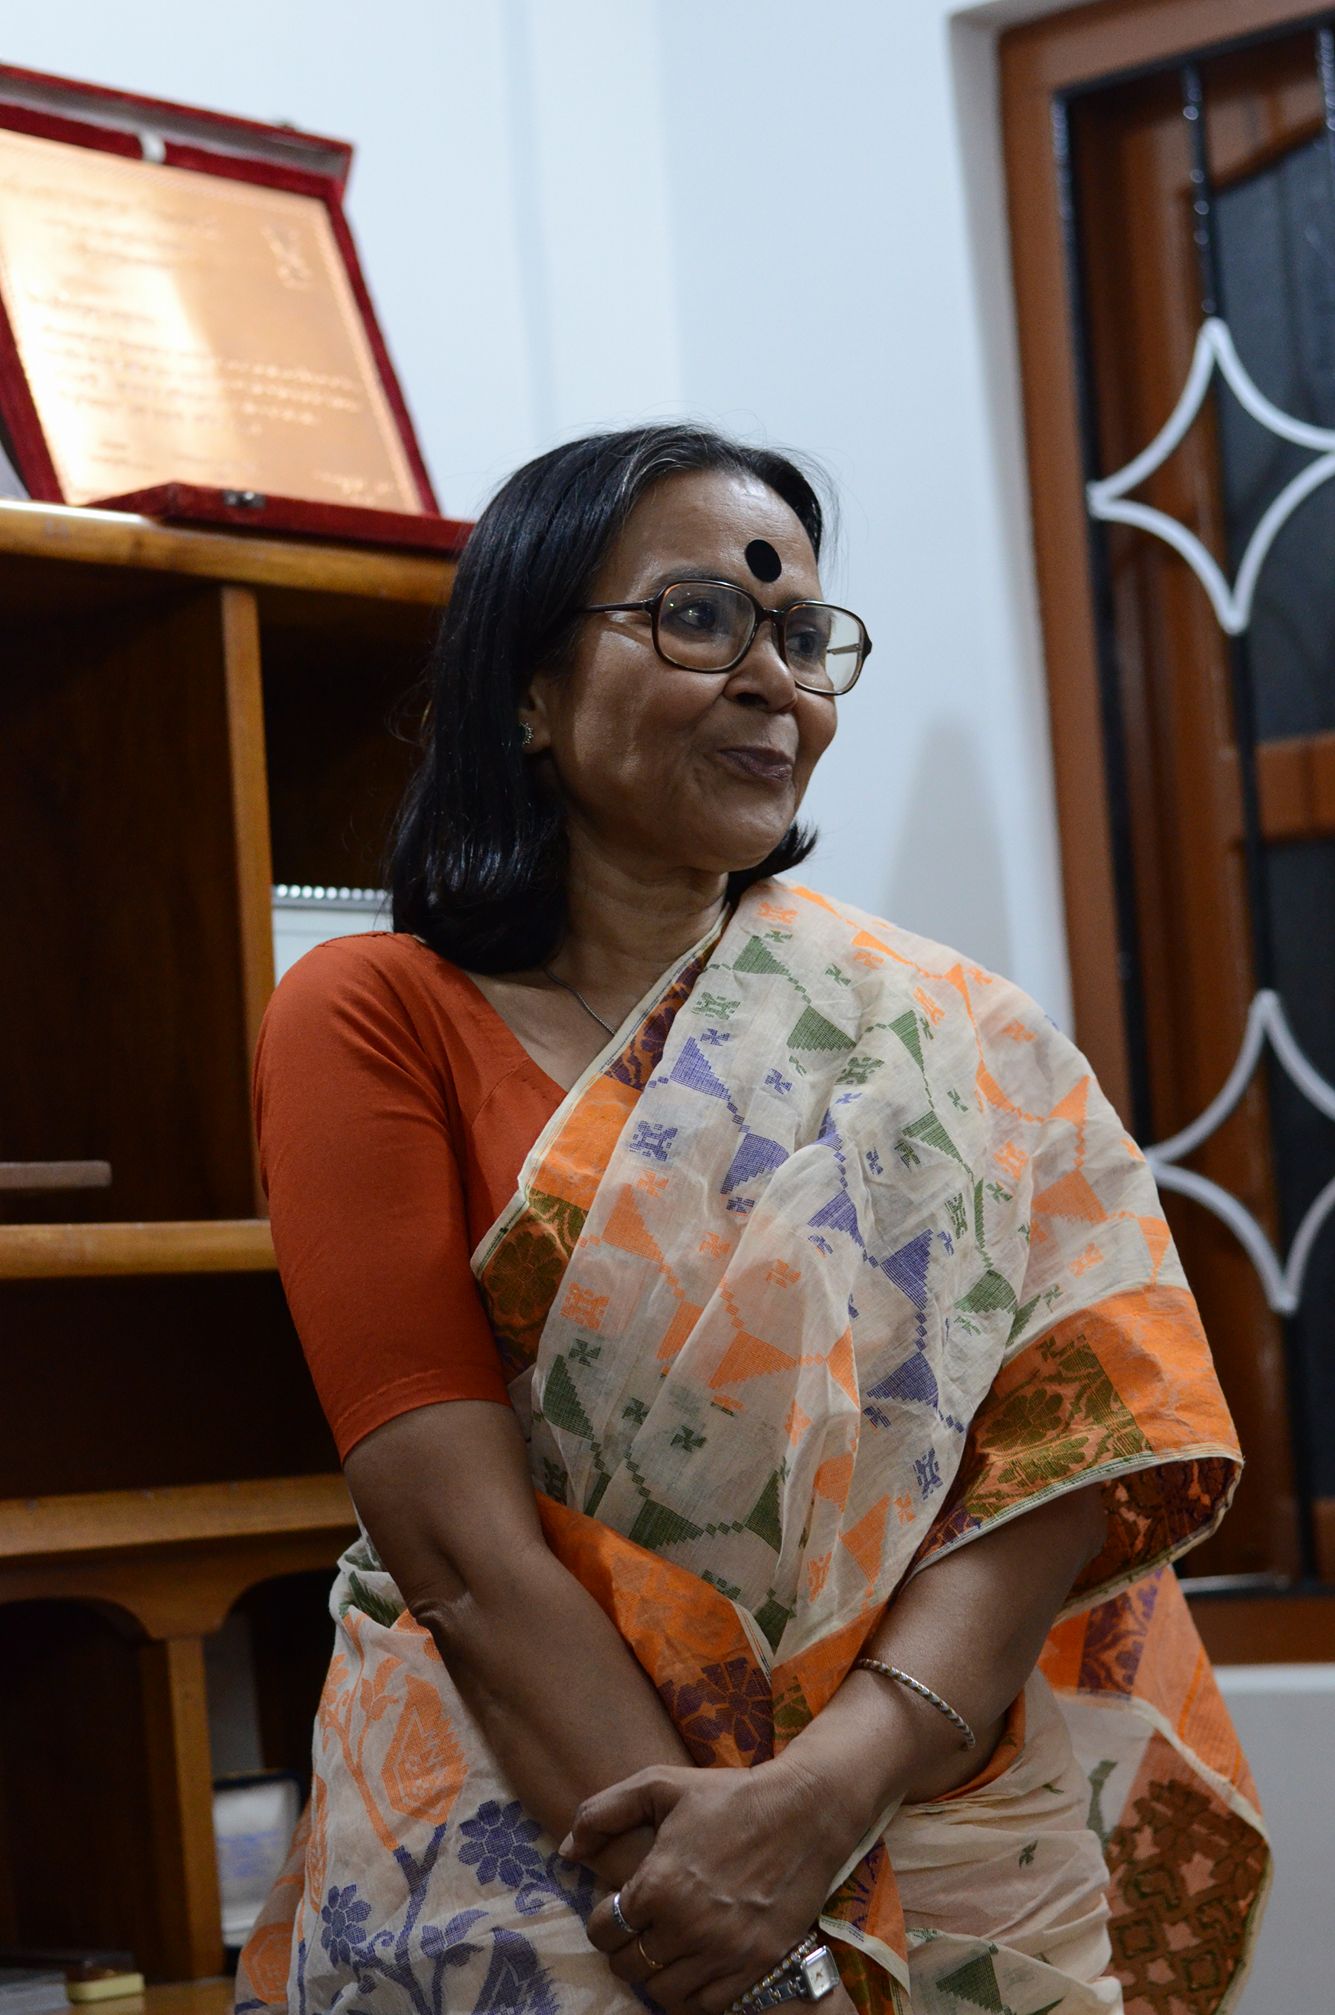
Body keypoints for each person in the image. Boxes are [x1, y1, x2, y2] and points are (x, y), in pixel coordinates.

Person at [235, 426, 1268, 2015]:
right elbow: (458, 1541)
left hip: (934, 1821)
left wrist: (824, 1798)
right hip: (554, 1841)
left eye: (800, 635)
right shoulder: (377, 1014)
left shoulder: (942, 1033)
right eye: (699, 617)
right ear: (524, 687)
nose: (772, 678)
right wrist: (723, 1909)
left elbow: (1077, 1445)